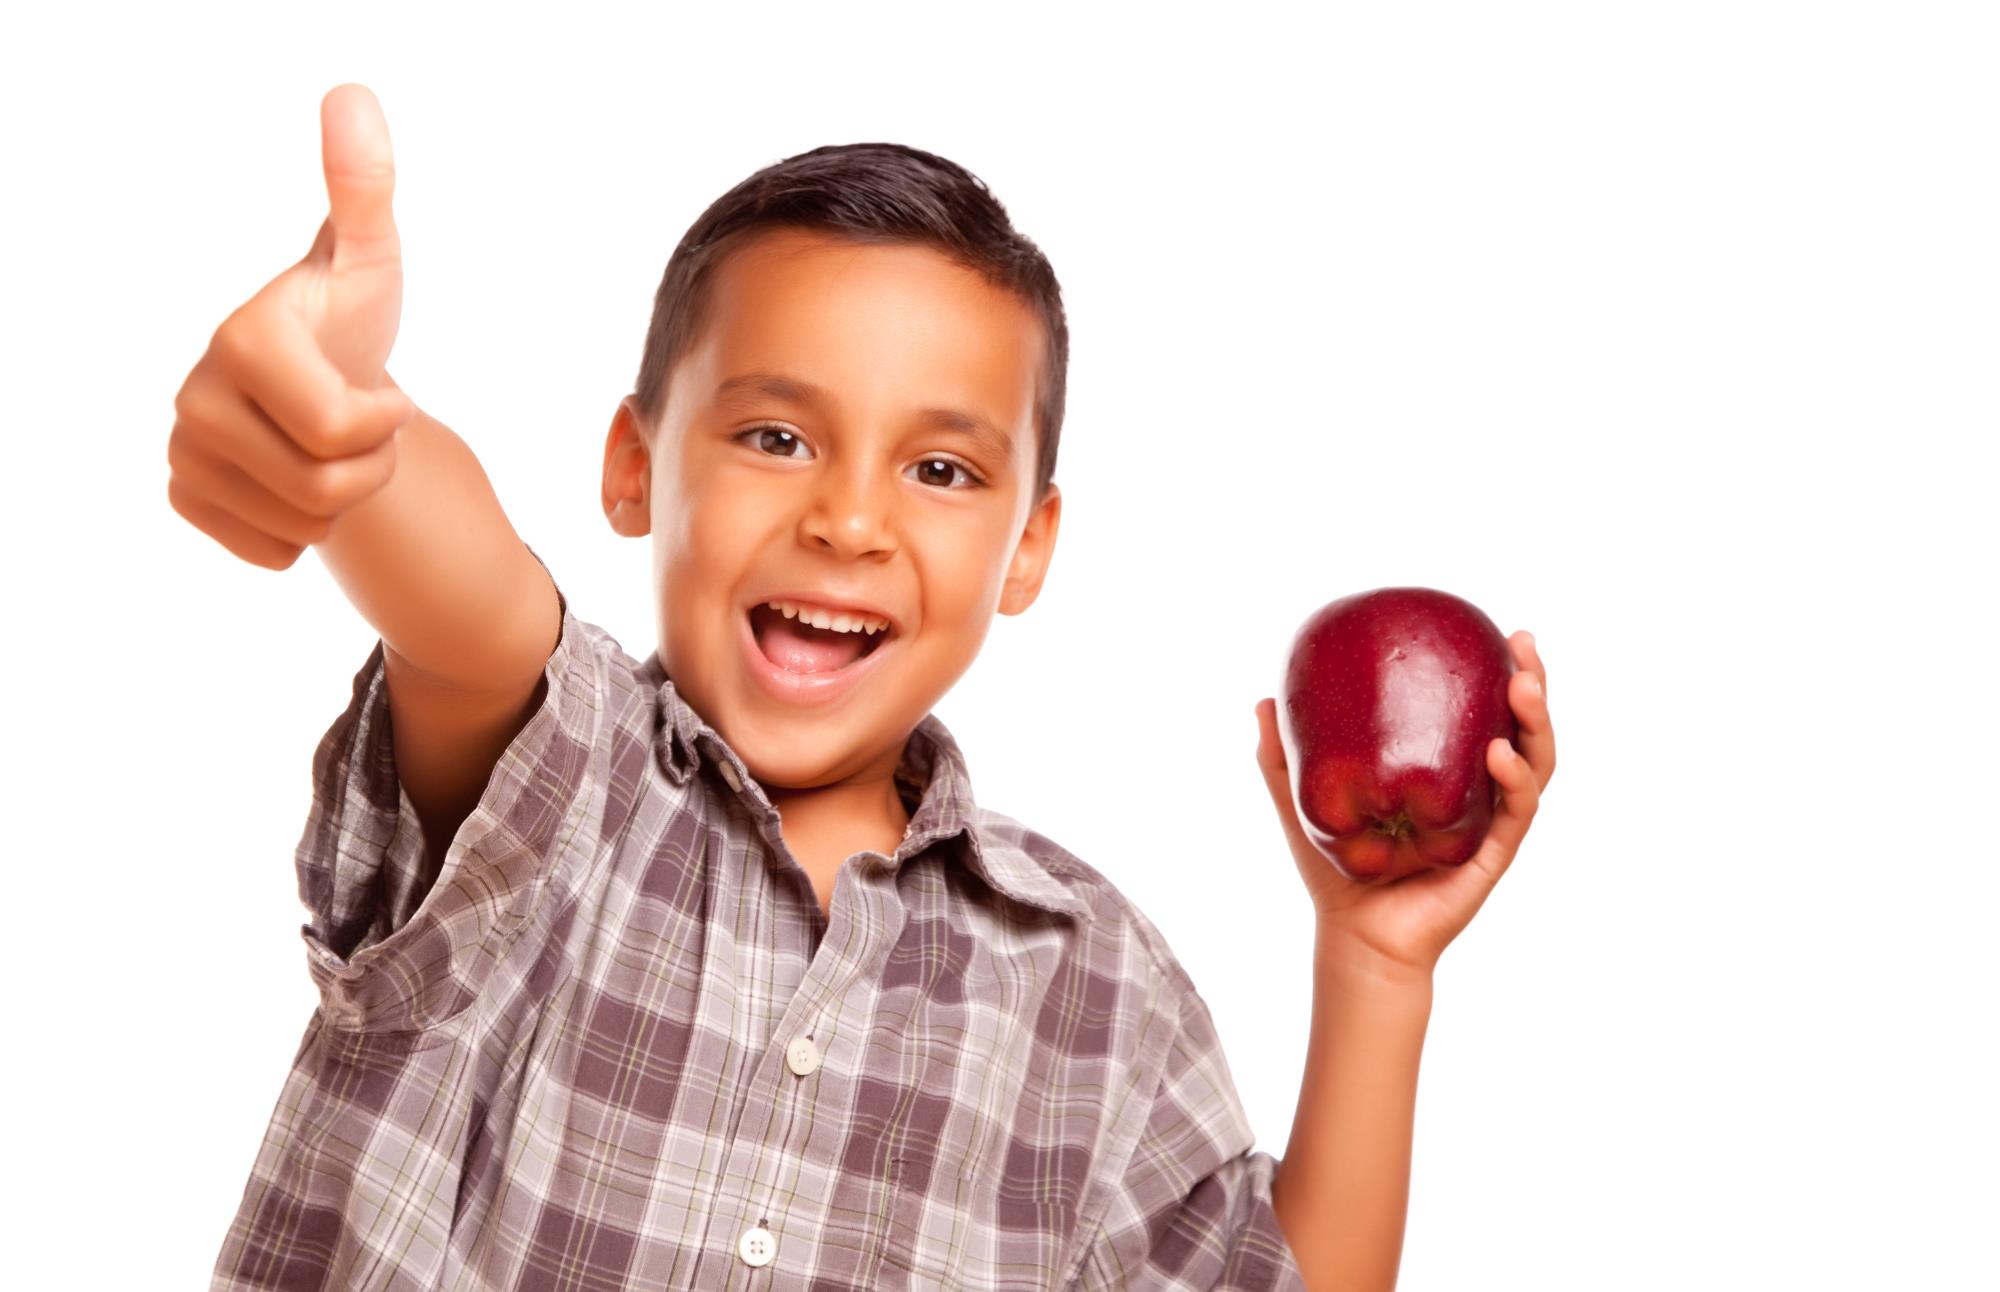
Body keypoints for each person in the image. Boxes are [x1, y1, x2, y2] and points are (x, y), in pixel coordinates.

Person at [171, 84, 1556, 1292]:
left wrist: (1376, 967)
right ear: (634, 466)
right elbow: (472, 610)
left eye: (941, 469)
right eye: (776, 435)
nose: (849, 520)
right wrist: (351, 444)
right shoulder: (559, 776)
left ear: (1029, 549)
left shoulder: (1091, 987)